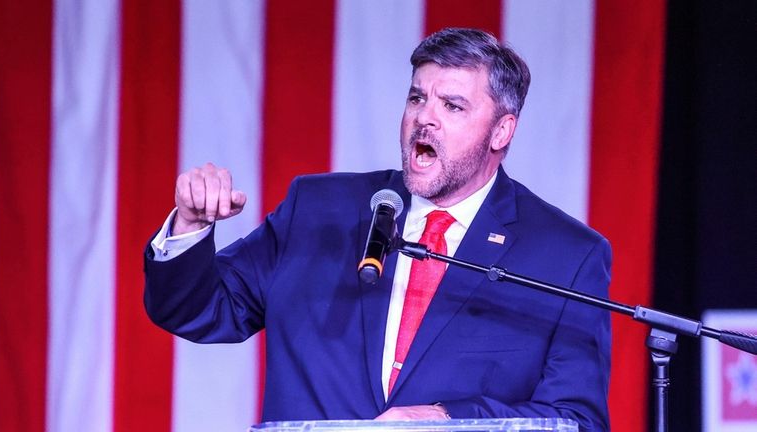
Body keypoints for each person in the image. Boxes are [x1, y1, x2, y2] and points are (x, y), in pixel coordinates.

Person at [144, 28, 611, 430]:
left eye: (452, 106)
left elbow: (576, 421)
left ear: (501, 132)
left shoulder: (564, 256)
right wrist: (190, 225)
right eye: (417, 97)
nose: (424, 117)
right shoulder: (320, 211)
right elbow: (201, 310)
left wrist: (446, 418)